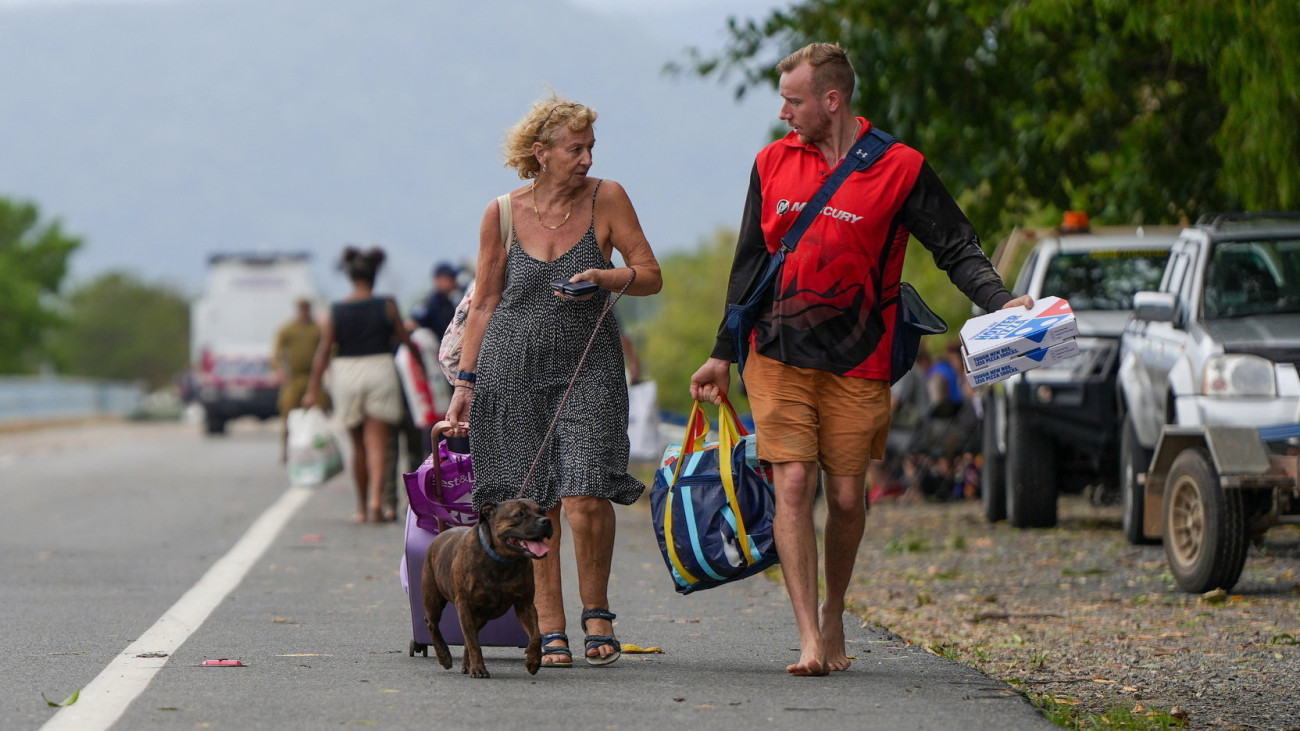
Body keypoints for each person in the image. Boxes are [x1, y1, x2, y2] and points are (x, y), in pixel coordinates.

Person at [689, 42, 1032, 677]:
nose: (783, 112)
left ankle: (834, 609)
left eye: (793, 101)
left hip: (860, 358)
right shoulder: (771, 162)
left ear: (832, 99)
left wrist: (1004, 302)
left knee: (847, 498)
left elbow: (955, 246)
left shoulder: (900, 167)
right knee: (794, 482)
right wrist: (721, 354)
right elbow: (749, 267)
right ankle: (807, 638)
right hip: (778, 352)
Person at [445, 93, 662, 668]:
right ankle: (549, 624)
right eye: (575, 148)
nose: (587, 157)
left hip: (588, 365)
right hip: (510, 369)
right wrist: (465, 385)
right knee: (532, 505)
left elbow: (649, 275)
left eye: (591, 147)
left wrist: (604, 276)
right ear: (541, 153)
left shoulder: (607, 198)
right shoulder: (502, 211)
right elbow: (485, 302)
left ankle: (598, 613)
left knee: (587, 492)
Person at [303, 246, 427, 524]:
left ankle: (361, 506)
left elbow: (324, 349)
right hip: (380, 369)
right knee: (378, 444)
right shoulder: (387, 304)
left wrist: (312, 389)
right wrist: (422, 367)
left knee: (357, 446)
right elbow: (406, 340)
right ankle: (376, 502)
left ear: (350, 278)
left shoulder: (337, 309)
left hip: (345, 373)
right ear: (374, 276)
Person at [273, 297, 325, 463]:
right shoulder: (288, 329)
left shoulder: (317, 330)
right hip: (294, 379)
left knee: (318, 414)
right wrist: (279, 369)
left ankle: (318, 450)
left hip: (313, 378)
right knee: (288, 413)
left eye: (306, 308)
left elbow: (328, 349)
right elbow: (276, 352)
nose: (304, 311)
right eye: (301, 308)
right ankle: (286, 449)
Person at [409, 262, 461, 337]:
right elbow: (411, 324)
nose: (454, 281)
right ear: (437, 279)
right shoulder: (430, 303)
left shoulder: (450, 304)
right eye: (450, 277)